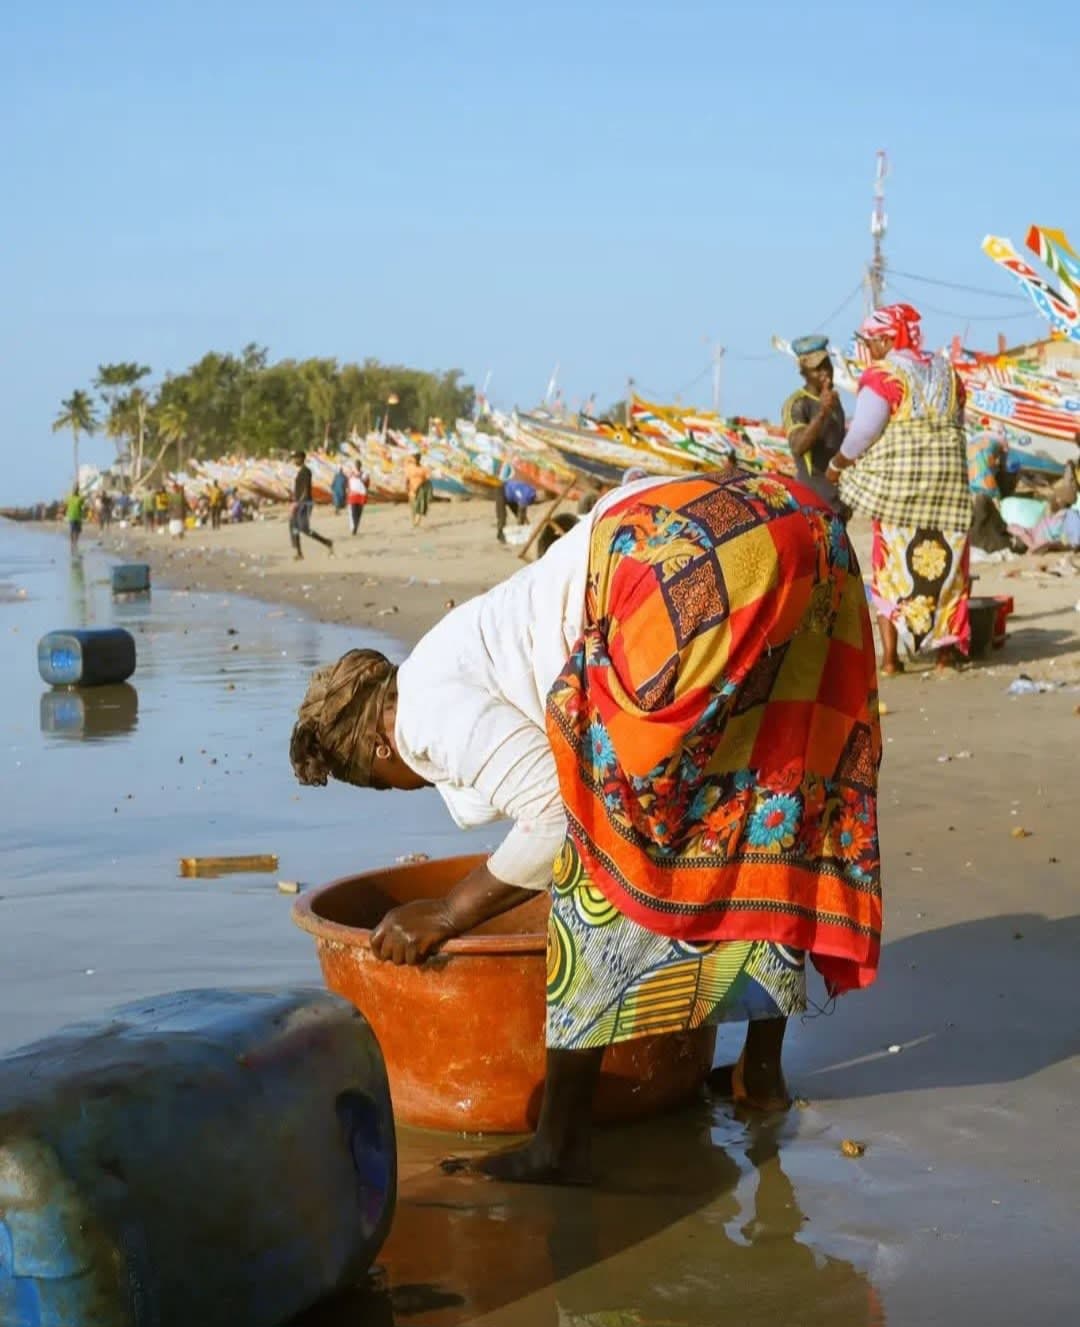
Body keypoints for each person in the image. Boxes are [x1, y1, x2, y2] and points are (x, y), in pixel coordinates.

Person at [291, 470, 882, 1185]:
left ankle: (560, 1140)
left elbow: (553, 821)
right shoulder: (449, 649)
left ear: (378, 752)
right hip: (799, 529)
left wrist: (446, 913)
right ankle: (759, 1075)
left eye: (378, 785)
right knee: (765, 788)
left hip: (679, 570)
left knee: (605, 834)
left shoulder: (420, 716)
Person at [826, 303, 973, 675]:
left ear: (889, 339)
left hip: (901, 489)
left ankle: (891, 660)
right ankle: (944, 656)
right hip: (947, 487)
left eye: (872, 342)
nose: (870, 350)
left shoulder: (886, 375)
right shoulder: (946, 371)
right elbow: (957, 422)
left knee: (892, 562)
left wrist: (837, 464)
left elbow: (864, 430)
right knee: (948, 565)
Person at [781, 336, 847, 513]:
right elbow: (798, 446)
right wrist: (822, 413)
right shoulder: (798, 403)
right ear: (803, 372)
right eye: (818, 369)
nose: (825, 373)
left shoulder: (834, 401)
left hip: (836, 502)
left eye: (827, 365)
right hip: (812, 503)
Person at [289, 449, 334, 560]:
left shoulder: (306, 471)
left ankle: (327, 542)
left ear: (301, 458)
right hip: (299, 503)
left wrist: (298, 503)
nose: (294, 460)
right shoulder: (300, 472)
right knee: (293, 525)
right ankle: (299, 552)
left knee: (304, 528)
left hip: (305, 503)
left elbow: (305, 489)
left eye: (296, 458)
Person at [405, 453, 432, 528]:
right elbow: (407, 479)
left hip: (420, 490)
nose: (414, 461)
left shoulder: (422, 469)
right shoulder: (411, 467)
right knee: (413, 507)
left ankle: (416, 522)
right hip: (412, 489)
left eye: (414, 459)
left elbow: (427, 478)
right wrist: (407, 487)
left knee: (419, 506)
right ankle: (415, 522)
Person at [347, 463, 370, 536]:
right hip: (353, 495)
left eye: (358, 465)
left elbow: (365, 481)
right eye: (356, 465)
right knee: (354, 512)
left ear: (360, 466)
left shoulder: (364, 474)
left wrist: (359, 476)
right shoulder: (351, 474)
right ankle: (354, 527)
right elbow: (348, 483)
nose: (357, 467)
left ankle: (355, 526)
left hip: (361, 495)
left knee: (359, 513)